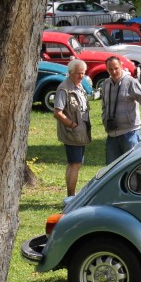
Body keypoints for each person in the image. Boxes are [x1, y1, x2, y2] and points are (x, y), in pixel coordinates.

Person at [101, 56, 141, 164]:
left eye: (116, 68)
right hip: (112, 133)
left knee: (132, 165)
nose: (114, 71)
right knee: (111, 168)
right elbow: (104, 105)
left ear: (121, 66)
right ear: (107, 69)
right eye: (110, 69)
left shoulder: (131, 82)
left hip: (129, 132)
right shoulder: (106, 84)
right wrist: (104, 118)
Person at [53, 59, 91, 196]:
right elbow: (57, 113)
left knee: (73, 164)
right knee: (75, 165)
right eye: (78, 74)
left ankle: (70, 195)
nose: (81, 76)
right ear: (70, 73)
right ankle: (71, 196)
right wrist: (72, 125)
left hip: (79, 133)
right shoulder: (64, 88)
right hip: (72, 134)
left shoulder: (79, 86)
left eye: (83, 73)